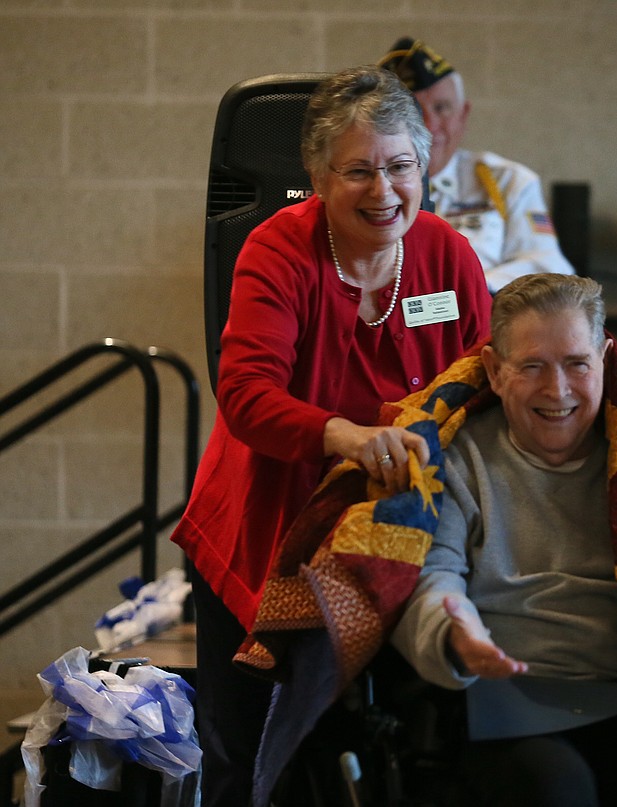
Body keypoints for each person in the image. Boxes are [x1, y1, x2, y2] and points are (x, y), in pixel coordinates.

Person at [170, 65, 492, 806]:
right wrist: (343, 436)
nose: (384, 191)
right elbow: (245, 394)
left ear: (425, 164)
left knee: (407, 750)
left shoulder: (448, 255)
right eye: (358, 171)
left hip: (395, 536)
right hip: (268, 526)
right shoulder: (277, 250)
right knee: (252, 762)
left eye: (401, 167)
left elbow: (482, 385)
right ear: (317, 175)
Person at [390, 273, 617, 806]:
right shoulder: (454, 457)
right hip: (504, 702)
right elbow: (428, 572)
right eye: (532, 366)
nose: (556, 390)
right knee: (554, 789)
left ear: (605, 360)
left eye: (576, 365)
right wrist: (455, 629)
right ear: (494, 369)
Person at [378, 36, 577, 293]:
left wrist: (471, 289)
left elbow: (549, 266)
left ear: (463, 115)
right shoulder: (365, 186)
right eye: (412, 111)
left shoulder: (507, 181)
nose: (429, 125)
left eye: (442, 108)